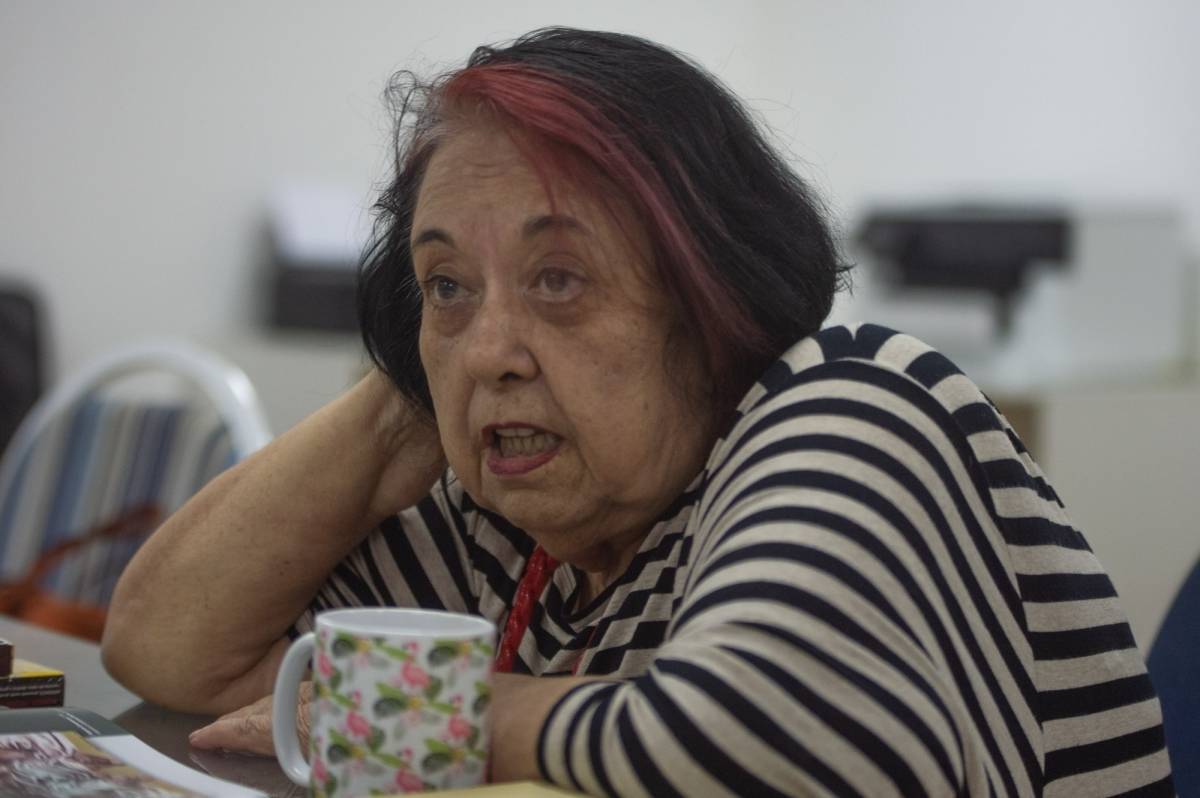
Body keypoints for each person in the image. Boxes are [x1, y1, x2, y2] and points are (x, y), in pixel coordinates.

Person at [102, 27, 1173, 796]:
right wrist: (410, 399)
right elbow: (169, 652)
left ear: (712, 299)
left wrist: (426, 715)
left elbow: (777, 741)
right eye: (444, 287)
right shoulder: (520, 535)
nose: (488, 353)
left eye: (560, 279)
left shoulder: (854, 403)